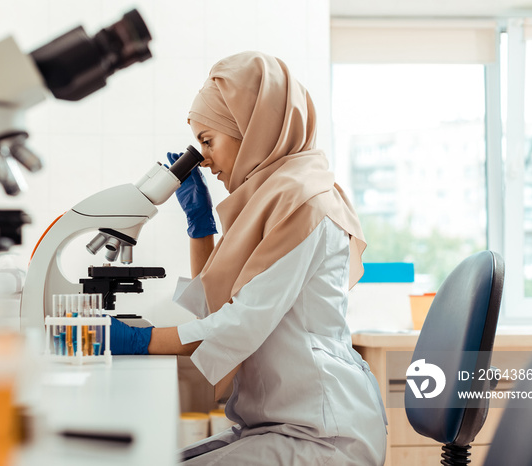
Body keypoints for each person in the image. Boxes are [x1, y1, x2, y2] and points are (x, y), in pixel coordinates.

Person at [107, 51, 388, 465]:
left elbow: (239, 323)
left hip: (324, 433)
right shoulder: (271, 197)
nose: (202, 158)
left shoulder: (304, 201)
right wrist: (200, 227)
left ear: (253, 129)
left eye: (208, 140)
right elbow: (216, 300)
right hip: (280, 423)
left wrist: (139, 341)